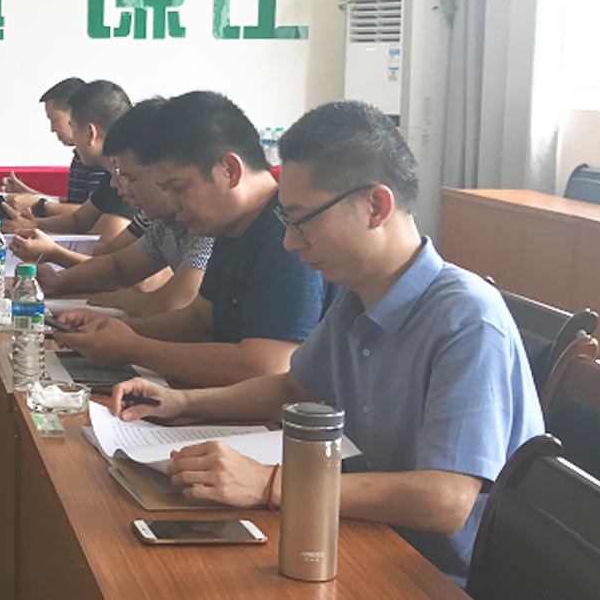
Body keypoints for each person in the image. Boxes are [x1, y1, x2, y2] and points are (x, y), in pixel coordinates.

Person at [106, 101, 543, 585]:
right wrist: (183, 403)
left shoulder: (467, 320)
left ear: (376, 207)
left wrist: (272, 484)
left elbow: (446, 499)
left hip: (429, 574)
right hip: (359, 532)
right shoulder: (357, 296)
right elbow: (293, 387)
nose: (290, 243)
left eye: (301, 220)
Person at [55, 91, 327, 386]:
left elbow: (267, 365)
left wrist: (133, 347)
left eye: (179, 188)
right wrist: (114, 329)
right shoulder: (231, 225)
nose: (172, 205)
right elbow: (198, 321)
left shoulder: (284, 235)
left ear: (229, 170)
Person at [13, 99, 213, 317]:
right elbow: (118, 267)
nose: (116, 185)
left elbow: (171, 304)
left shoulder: (205, 225)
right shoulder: (164, 223)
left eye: (128, 177)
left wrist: (110, 310)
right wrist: (59, 281)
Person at [1, 80, 137, 251]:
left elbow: (99, 249)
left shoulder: (129, 177)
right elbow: (78, 220)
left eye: (73, 128)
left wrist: (34, 232)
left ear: (91, 133)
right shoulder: (112, 175)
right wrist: (34, 225)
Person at [2, 77, 110, 218]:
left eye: (54, 120)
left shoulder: (97, 158)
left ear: (74, 115)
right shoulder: (80, 155)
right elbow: (72, 204)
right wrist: (27, 193)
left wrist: (36, 205)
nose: (52, 129)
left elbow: (90, 213)